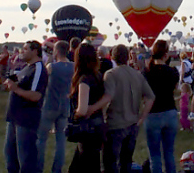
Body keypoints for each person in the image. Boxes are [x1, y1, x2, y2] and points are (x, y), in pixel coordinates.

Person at [95, 44, 155, 173]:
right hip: (133, 123)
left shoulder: (110, 74)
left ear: (112, 57)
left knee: (110, 163)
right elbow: (150, 97)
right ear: (128, 57)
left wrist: (93, 109)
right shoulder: (137, 74)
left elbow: (108, 97)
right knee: (126, 162)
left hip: (115, 124)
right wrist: (142, 117)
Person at [4, 40, 48, 173]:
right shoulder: (26, 68)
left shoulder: (38, 68)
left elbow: (36, 96)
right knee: (10, 157)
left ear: (35, 51)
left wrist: (15, 89)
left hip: (26, 120)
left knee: (26, 160)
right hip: (14, 119)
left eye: (25, 49)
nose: (21, 52)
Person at [35, 40, 74, 173]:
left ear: (56, 51)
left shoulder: (51, 66)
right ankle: (57, 169)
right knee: (61, 141)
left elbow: (42, 77)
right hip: (65, 106)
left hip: (50, 105)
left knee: (41, 139)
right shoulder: (73, 66)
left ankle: (39, 167)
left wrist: (50, 58)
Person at [143, 40, 179, 173]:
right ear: (166, 54)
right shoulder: (173, 72)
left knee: (155, 155)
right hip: (170, 112)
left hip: (153, 113)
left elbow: (144, 94)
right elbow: (174, 88)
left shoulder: (147, 73)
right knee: (169, 152)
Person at [68, 43, 105, 173]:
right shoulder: (98, 76)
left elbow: (82, 109)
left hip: (87, 130)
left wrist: (74, 115)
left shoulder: (84, 80)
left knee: (85, 166)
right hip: (98, 127)